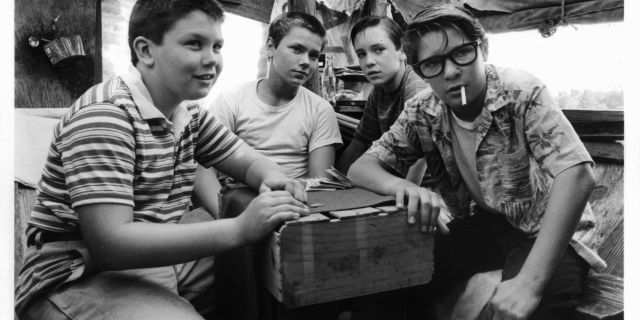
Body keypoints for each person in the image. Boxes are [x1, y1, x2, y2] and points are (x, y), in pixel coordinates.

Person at [14, 1, 308, 319]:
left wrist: (273, 176)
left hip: (144, 261)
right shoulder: (107, 115)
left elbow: (243, 158)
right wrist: (238, 228)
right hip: (73, 275)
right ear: (145, 51)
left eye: (217, 46)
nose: (212, 59)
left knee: (271, 262)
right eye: (194, 43)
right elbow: (113, 243)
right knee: (240, 247)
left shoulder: (188, 113)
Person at [348, 4, 606, 320]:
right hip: (487, 223)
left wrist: (529, 283)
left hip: (548, 228)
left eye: (462, 53)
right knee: (394, 272)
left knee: (530, 308)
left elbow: (578, 175)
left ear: (482, 47)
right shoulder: (423, 110)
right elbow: (361, 168)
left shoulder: (520, 92)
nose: (451, 71)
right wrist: (401, 185)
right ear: (419, 70)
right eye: (433, 63)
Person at [192, 11, 342, 216]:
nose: (306, 61)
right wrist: (229, 217)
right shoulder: (232, 100)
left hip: (292, 205)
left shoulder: (320, 109)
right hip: (235, 201)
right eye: (297, 49)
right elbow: (204, 171)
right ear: (271, 47)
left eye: (313, 55)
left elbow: (321, 184)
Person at [336, 16, 428, 185]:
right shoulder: (379, 91)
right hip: (393, 181)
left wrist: (405, 201)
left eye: (378, 49)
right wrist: (334, 182)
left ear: (402, 50)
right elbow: (360, 143)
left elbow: (419, 157)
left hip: (430, 192)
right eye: (361, 54)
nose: (369, 62)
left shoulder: (416, 88)